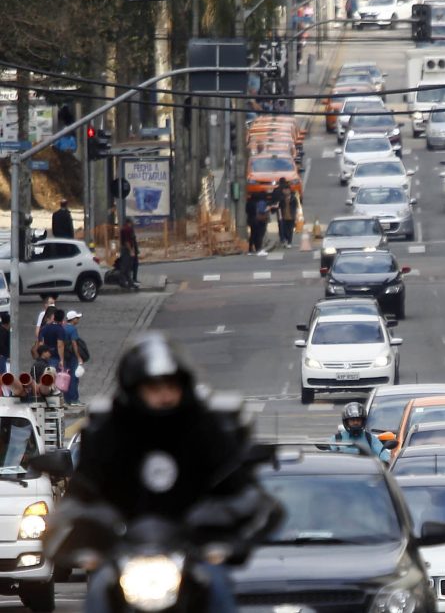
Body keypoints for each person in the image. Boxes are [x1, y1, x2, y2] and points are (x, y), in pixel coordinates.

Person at [49, 332, 281, 612]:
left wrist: (224, 526)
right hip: (126, 555)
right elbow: (82, 493)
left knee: (218, 589)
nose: (164, 395)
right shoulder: (108, 434)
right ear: (133, 388)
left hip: (193, 553)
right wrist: (73, 528)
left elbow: (240, 490)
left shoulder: (206, 430)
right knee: (99, 594)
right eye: (153, 387)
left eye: (171, 386)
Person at [62, 310, 85, 406]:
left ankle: (67, 399)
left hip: (64, 356)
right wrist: (79, 357)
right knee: (74, 378)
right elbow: (74, 344)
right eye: (77, 318)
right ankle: (74, 399)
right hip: (72, 356)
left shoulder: (63, 328)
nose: (78, 319)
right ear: (73, 319)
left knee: (66, 378)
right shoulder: (72, 330)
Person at [120, 218, 139, 288]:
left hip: (125, 248)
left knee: (127, 266)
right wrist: (131, 250)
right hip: (127, 249)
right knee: (126, 266)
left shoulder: (124, 229)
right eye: (132, 222)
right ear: (129, 222)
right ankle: (123, 282)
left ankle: (129, 282)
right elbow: (127, 241)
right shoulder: (127, 229)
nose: (133, 224)